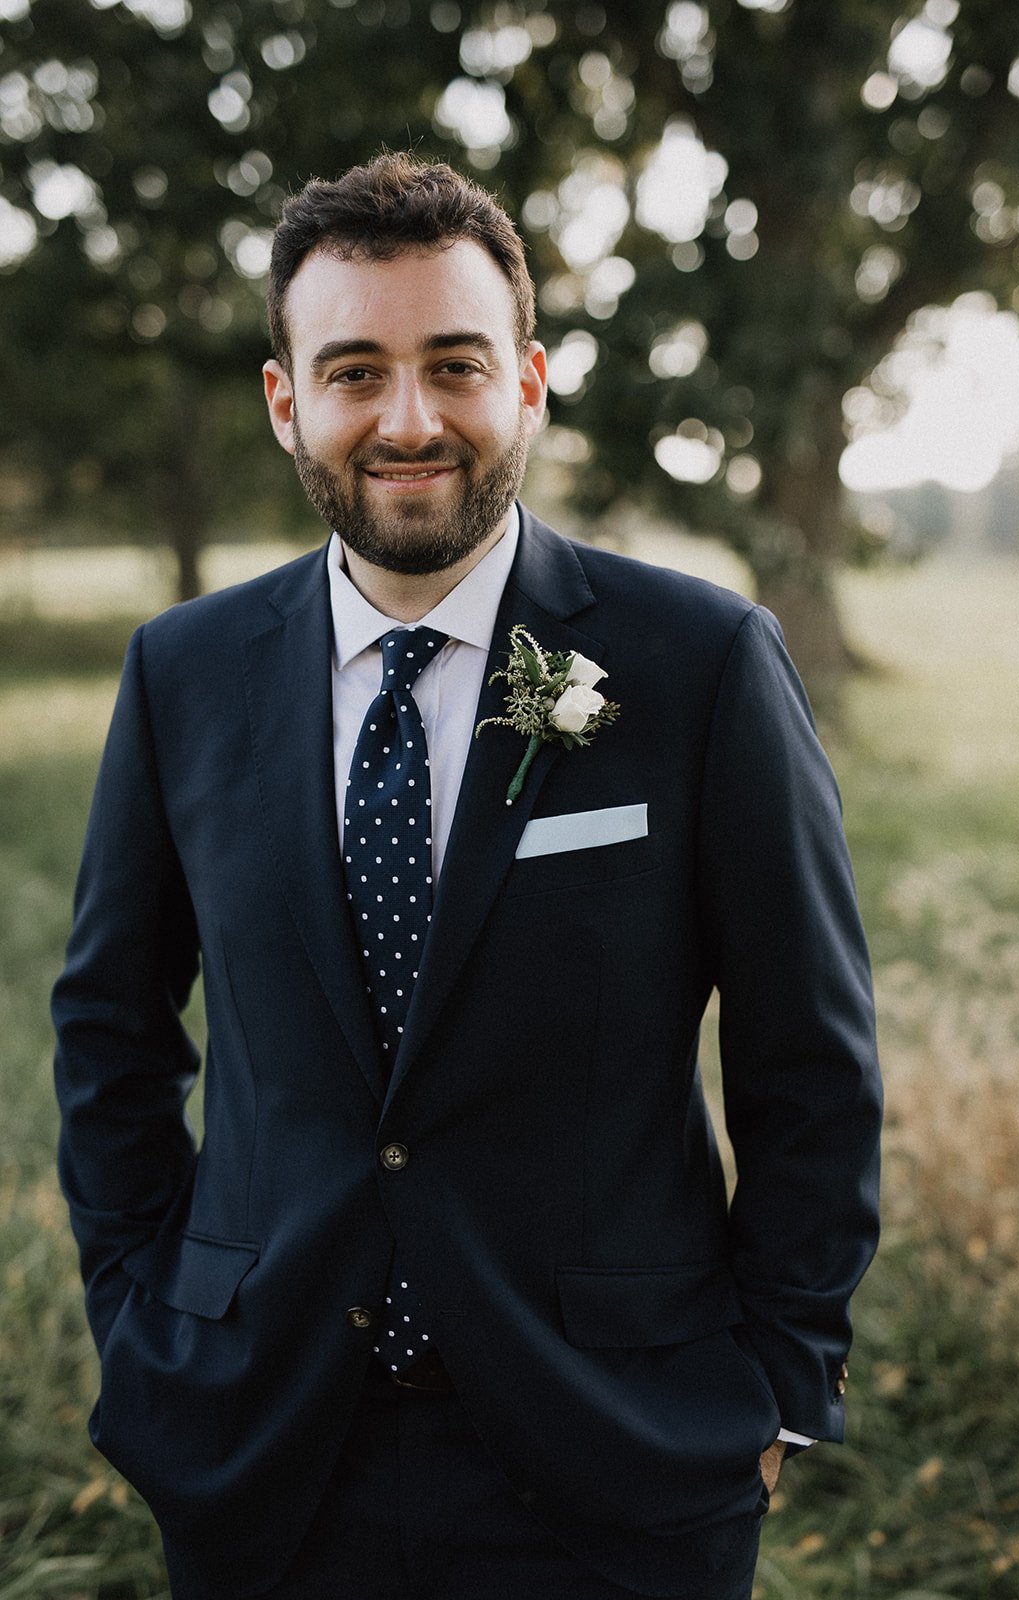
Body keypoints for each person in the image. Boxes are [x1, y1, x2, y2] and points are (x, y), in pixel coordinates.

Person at [53, 152, 881, 1600]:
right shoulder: (180, 675)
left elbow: (809, 1059)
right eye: (356, 371)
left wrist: (778, 1389)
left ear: (532, 381)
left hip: (620, 1463)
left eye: (455, 363)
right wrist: (145, 1317)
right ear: (285, 399)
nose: (410, 419)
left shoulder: (698, 664)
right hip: (259, 1457)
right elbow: (109, 1031)